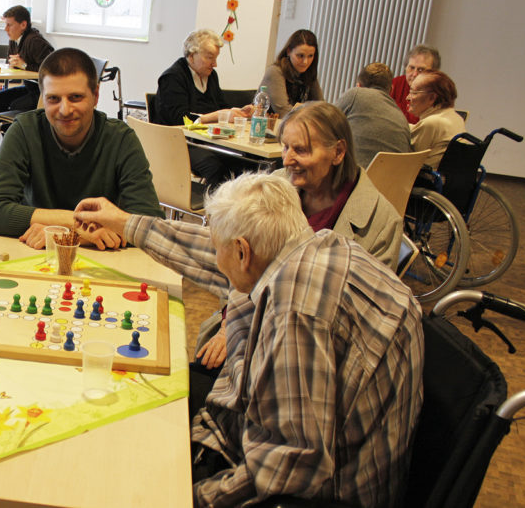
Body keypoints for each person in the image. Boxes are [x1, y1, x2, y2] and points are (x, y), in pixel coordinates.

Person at [74, 173, 424, 507]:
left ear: (242, 251)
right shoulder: (314, 245)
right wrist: (127, 224)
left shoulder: (296, 314)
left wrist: (185, 498)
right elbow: (204, 252)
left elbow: (293, 465)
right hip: (345, 449)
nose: (215, 257)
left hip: (327, 492)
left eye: (220, 248)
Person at [193, 101, 401, 374]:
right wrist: (229, 325)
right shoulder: (276, 184)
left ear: (338, 152)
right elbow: (238, 263)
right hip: (251, 319)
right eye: (285, 146)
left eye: (300, 150)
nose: (287, 160)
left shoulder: (382, 223)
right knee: (205, 364)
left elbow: (365, 324)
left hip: (314, 353)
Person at [0, 47, 164, 250]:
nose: (65, 110)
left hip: (104, 260)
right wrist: (73, 223)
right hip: (35, 256)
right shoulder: (24, 131)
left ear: (95, 96)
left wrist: (71, 235)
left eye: (75, 97)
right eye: (53, 99)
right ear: (42, 98)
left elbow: (151, 225)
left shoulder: (120, 139)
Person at [154, 29, 254, 187]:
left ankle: (233, 208)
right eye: (209, 58)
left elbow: (221, 107)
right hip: (180, 142)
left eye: (216, 58)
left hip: (207, 140)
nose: (215, 64)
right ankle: (214, 209)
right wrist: (215, 116)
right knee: (215, 166)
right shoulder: (172, 77)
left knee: (246, 162)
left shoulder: (211, 76)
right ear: (191, 56)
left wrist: (238, 111)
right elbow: (179, 119)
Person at [334, 62, 412, 167]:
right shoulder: (401, 117)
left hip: (355, 178)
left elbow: (325, 122)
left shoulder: (356, 94)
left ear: (359, 86)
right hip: (391, 181)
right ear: (391, 89)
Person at [0, 5, 55, 116]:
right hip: (31, 87)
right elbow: (12, 61)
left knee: (15, 105)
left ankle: (19, 132)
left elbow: (51, 70)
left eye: (9, 25)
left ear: (23, 25)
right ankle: (9, 133)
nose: (6, 29)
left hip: (44, 91)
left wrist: (24, 65)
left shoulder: (35, 41)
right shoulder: (14, 39)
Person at [408, 69, 465, 169]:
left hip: (424, 179)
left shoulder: (432, 123)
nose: (408, 97)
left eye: (414, 92)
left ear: (432, 98)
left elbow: (408, 157)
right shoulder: (456, 118)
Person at [259, 29, 324, 116]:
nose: (305, 62)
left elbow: (321, 107)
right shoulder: (275, 72)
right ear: (289, 51)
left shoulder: (309, 73)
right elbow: (284, 112)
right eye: (300, 56)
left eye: (310, 56)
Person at [390, 44, 440, 124]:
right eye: (412, 68)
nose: (414, 74)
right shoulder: (395, 84)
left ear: (433, 72)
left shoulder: (437, 94)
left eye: (421, 70)